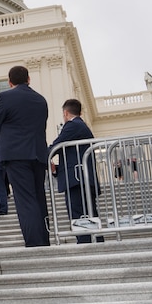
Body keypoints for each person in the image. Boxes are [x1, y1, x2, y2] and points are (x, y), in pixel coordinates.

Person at [0, 65, 50, 247]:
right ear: (28, 79)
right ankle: (44, 239)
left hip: (16, 155)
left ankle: (34, 243)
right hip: (38, 154)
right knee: (39, 197)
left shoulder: (4, 97)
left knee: (25, 200)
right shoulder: (41, 99)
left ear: (9, 82)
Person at [49, 98, 104, 243]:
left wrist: (42, 156)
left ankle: (85, 243)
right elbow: (75, 155)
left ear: (66, 113)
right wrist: (57, 169)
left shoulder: (73, 125)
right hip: (80, 178)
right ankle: (95, 242)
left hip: (77, 180)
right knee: (89, 212)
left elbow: (57, 145)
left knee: (79, 213)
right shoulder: (81, 126)